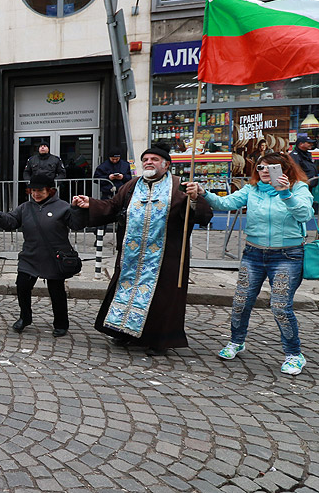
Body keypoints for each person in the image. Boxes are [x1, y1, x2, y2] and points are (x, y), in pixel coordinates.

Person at [71, 147, 213, 355]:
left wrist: (194, 199)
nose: (149, 162)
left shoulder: (179, 185)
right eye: (145, 159)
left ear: (166, 165)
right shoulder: (131, 185)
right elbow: (112, 207)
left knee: (160, 298)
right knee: (126, 291)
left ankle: (157, 341)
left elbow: (202, 214)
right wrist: (90, 204)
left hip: (165, 255)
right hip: (132, 255)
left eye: (155, 159)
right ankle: (123, 332)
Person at [185, 152, 314, 375]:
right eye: (261, 168)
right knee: (241, 301)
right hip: (254, 253)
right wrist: (204, 192)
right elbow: (226, 203)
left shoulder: (298, 188)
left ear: (284, 170)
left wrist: (285, 194)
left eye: (270, 168)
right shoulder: (252, 190)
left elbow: (305, 214)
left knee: (280, 306)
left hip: (287, 255)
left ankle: (294, 354)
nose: (264, 172)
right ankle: (237, 341)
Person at [0, 174, 86, 337]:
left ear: (50, 190)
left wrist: (78, 209)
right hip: (30, 256)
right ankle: (25, 317)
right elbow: (11, 221)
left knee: (57, 292)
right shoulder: (25, 207)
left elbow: (77, 224)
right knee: (22, 287)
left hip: (55, 257)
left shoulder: (63, 207)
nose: (36, 194)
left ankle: (61, 323)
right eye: (33, 190)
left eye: (40, 190)